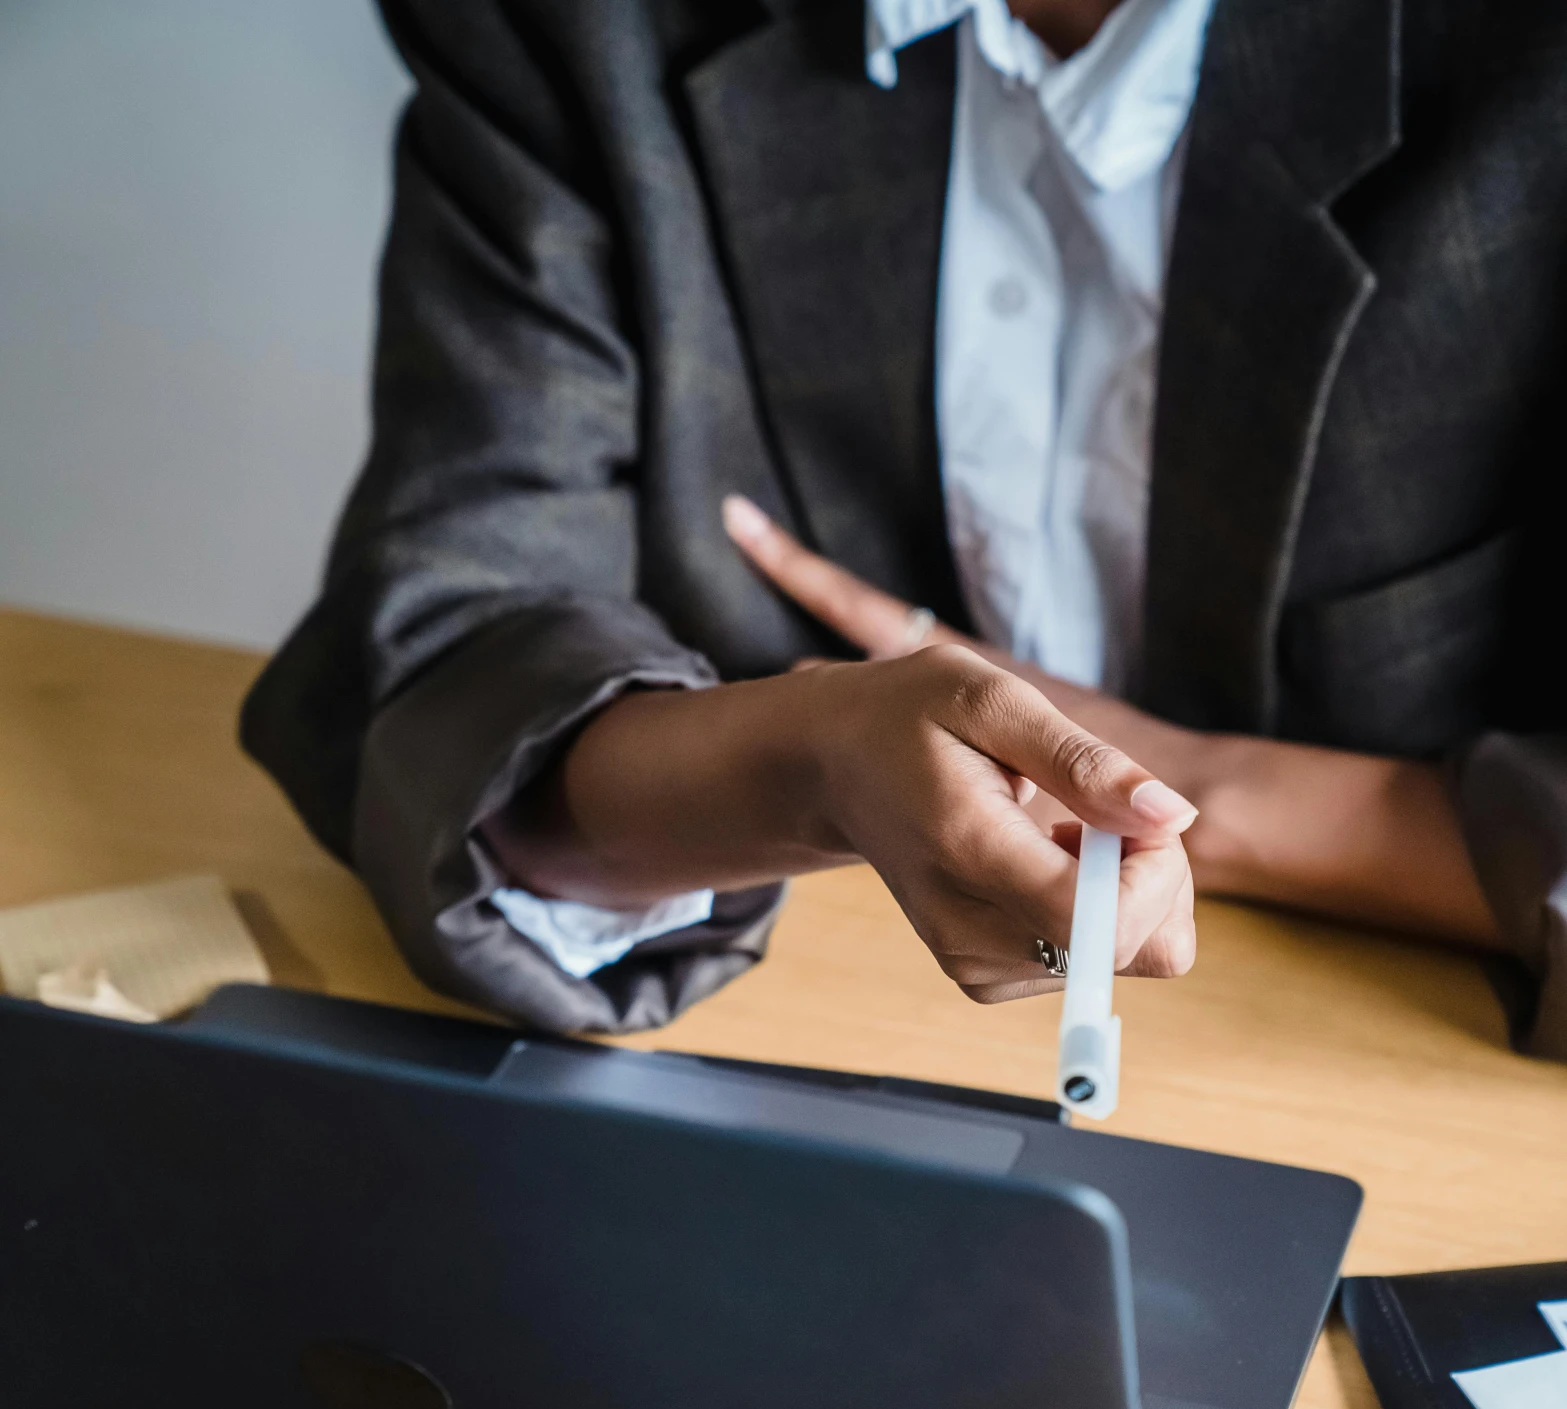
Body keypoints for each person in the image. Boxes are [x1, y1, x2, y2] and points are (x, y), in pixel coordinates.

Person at [242, 0, 1567, 1056]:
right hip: (782, 1025)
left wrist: (1204, 790)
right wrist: (802, 763)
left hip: (1407, 1057)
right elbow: (453, 664)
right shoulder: (580, 29)